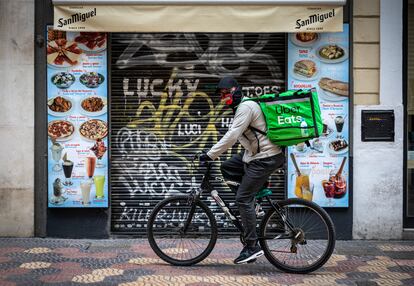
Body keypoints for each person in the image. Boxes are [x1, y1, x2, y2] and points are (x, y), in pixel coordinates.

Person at [199, 77, 285, 264]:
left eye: (226, 93)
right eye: (222, 95)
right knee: (228, 167)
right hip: (256, 155)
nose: (224, 98)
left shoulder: (245, 107)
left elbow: (232, 135)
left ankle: (252, 246)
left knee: (242, 199)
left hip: (266, 157)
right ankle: (252, 203)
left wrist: (209, 155)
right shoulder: (242, 107)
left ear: (236, 90)